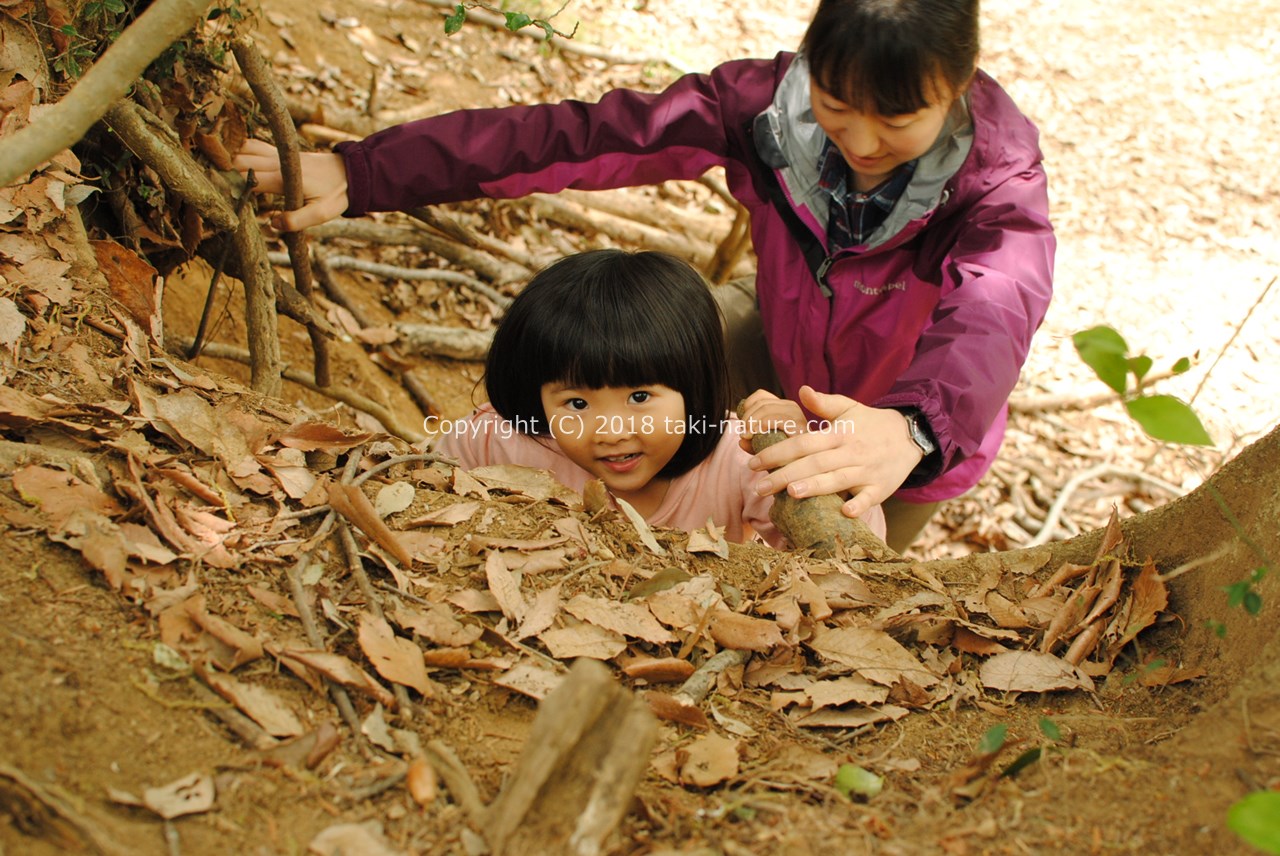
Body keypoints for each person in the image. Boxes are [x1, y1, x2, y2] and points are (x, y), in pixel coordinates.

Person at [233, 0, 1054, 553]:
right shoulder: (766, 115)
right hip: (777, 342)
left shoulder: (994, 183)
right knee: (655, 393)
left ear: (959, 87)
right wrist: (369, 173)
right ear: (811, 65)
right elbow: (576, 137)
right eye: (839, 105)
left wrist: (909, 428)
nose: (862, 143)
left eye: (898, 120)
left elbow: (995, 311)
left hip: (904, 428)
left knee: (816, 551)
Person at [430, 248, 887, 547]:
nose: (612, 430)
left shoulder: (738, 459)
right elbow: (426, 482)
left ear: (693, 384)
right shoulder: (505, 439)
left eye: (641, 396)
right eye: (576, 404)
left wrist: (796, 460)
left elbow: (853, 548)